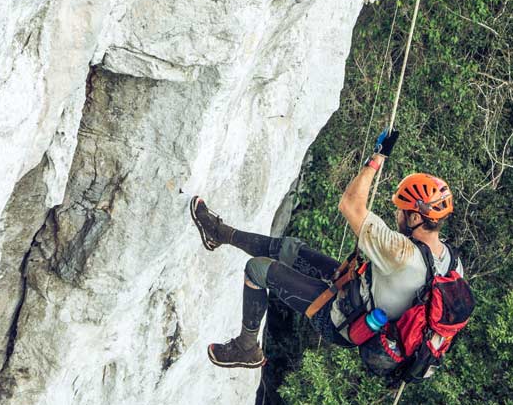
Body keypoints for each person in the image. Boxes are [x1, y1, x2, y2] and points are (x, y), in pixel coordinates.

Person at [190, 130, 463, 377]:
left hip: (341, 319)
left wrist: (377, 158)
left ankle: (247, 347)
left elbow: (350, 205)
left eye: (401, 210)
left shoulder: (401, 252)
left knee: (257, 270)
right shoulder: (452, 263)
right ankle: (219, 234)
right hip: (355, 291)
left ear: (415, 218)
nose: (396, 214)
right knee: (289, 249)